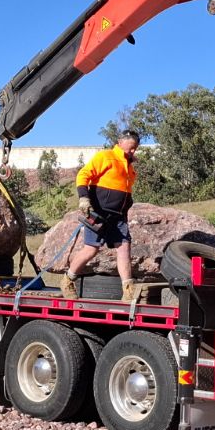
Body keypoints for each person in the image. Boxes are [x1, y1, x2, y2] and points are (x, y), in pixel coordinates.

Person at [62, 129, 140, 302]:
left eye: (136, 148)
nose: (133, 151)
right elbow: (83, 174)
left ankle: (128, 290)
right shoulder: (105, 156)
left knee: (124, 248)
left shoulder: (129, 167)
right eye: (131, 147)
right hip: (99, 213)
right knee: (91, 249)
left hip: (118, 217)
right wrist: (83, 198)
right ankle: (68, 280)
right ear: (120, 142)